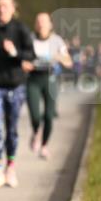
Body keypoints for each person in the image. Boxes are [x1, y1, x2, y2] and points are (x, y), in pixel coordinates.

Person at [0, 0, 34, 189]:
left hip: (15, 84)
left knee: (11, 128)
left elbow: (31, 55)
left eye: (5, 6)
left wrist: (15, 53)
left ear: (14, 8)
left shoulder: (21, 29)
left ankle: (10, 167)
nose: (1, 9)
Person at [27, 12, 73, 159]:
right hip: (33, 79)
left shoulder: (57, 41)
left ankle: (44, 145)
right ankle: (36, 133)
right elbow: (21, 56)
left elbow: (68, 61)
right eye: (38, 21)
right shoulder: (29, 38)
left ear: (50, 24)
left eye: (44, 21)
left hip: (50, 78)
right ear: (35, 24)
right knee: (35, 115)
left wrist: (57, 56)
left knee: (48, 115)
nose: (41, 24)